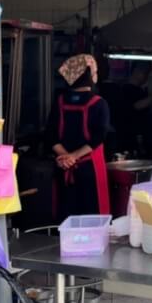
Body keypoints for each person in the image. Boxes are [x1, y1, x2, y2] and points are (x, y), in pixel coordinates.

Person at [47, 54, 111, 216]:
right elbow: (99, 136)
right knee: (92, 214)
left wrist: (65, 157)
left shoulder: (59, 101)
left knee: (68, 212)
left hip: (64, 167)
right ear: (88, 75)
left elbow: (50, 135)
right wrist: (74, 157)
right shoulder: (99, 103)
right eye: (94, 71)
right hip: (90, 170)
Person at [116, 61, 152, 155]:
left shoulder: (140, 90)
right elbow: (137, 106)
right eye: (146, 73)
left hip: (140, 135)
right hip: (131, 136)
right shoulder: (126, 90)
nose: (147, 77)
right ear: (137, 72)